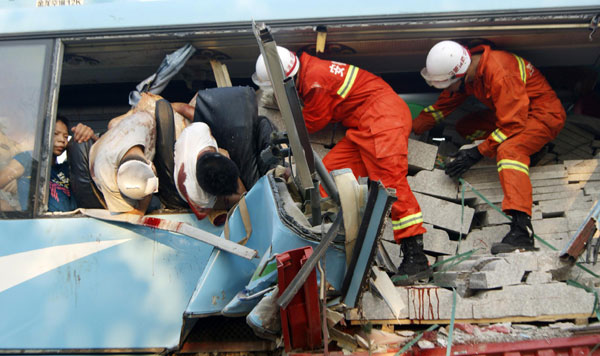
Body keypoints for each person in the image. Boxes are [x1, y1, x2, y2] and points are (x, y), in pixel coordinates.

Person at [254, 47, 430, 284]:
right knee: (328, 175)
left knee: (390, 184)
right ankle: (325, 240)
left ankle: (416, 257)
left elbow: (314, 121)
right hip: (364, 126)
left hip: (382, 118)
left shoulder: (316, 81)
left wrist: (284, 134)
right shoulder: (308, 74)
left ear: (285, 79)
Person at [414, 40, 566, 254]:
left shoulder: (500, 72)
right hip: (514, 112)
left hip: (543, 115)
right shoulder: (470, 72)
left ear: (458, 75)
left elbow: (513, 123)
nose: (447, 89)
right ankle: (533, 149)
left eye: (447, 84)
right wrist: (411, 129)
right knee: (466, 126)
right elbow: (443, 105)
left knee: (510, 151)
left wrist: (476, 153)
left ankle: (522, 230)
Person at [166, 86, 277, 221]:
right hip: (199, 194)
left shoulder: (199, 130)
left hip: (206, 154)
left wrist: (164, 107)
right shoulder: (200, 198)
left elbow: (184, 109)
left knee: (263, 124)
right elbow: (242, 197)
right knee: (248, 197)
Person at [0, 116, 96, 212]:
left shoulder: (68, 169)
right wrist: (4, 205)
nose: (62, 140)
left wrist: (91, 137)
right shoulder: (27, 160)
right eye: (55, 134)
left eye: (66, 137)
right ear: (41, 135)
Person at [88, 108, 158, 215]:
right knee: (155, 204)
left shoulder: (145, 121)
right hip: (100, 162)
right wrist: (141, 209)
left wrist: (151, 178)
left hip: (122, 134)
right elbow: (134, 215)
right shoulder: (106, 175)